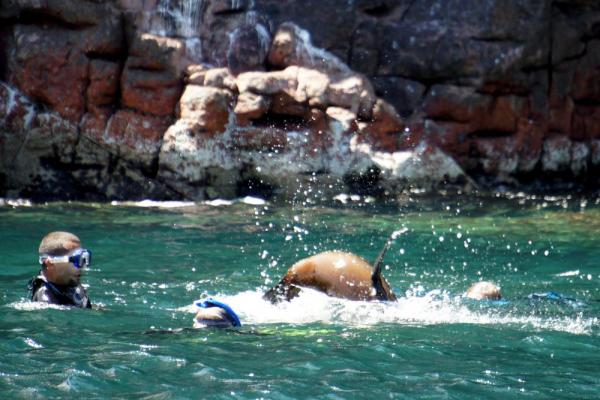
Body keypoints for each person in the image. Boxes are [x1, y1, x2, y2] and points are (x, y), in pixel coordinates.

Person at [28, 231, 92, 308]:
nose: (82, 266)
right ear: (50, 263)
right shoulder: (47, 304)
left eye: (84, 259)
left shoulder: (69, 285)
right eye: (76, 260)